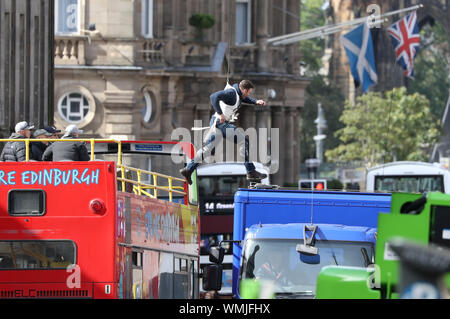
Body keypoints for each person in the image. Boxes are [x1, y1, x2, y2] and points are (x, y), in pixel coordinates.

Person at [180, 80, 267, 184]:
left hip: (216, 122)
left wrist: (255, 101)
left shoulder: (238, 94)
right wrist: (221, 113)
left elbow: (244, 99)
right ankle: (250, 171)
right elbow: (213, 97)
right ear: (244, 90)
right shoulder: (231, 93)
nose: (248, 94)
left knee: (208, 150)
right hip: (221, 123)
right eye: (248, 92)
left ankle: (188, 169)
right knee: (244, 141)